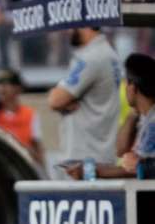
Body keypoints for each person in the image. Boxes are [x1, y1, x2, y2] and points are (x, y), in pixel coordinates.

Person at [66, 53, 155, 179]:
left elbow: (139, 169)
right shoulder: (144, 116)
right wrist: (135, 112)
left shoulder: (152, 123)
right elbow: (121, 151)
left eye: (126, 83)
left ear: (133, 88)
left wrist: (90, 171)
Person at [48, 27, 121, 168]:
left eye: (73, 26)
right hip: (99, 155)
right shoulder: (108, 53)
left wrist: (62, 95)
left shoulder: (92, 57)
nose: (68, 30)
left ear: (86, 25)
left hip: (84, 161)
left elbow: (55, 100)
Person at [0, 70, 44, 164]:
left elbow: (37, 147)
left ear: (18, 88)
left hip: (21, 165)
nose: (1, 89)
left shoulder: (29, 114)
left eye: (6, 85)